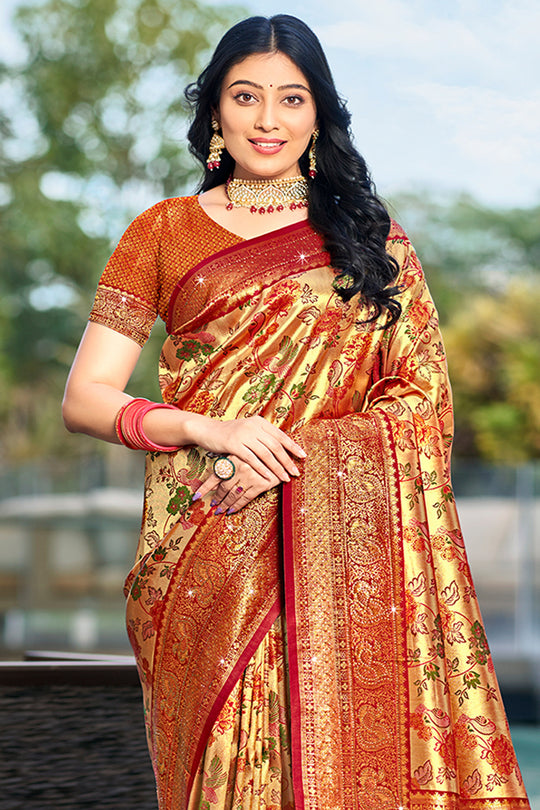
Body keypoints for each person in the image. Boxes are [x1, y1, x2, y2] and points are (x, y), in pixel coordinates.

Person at [62, 14, 530, 810]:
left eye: (292, 98)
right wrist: (210, 429)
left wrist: (287, 454)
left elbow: (419, 402)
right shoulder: (160, 232)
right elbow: (85, 397)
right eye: (245, 97)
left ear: (320, 115)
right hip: (203, 536)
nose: (268, 120)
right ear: (214, 110)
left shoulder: (373, 243)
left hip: (331, 546)